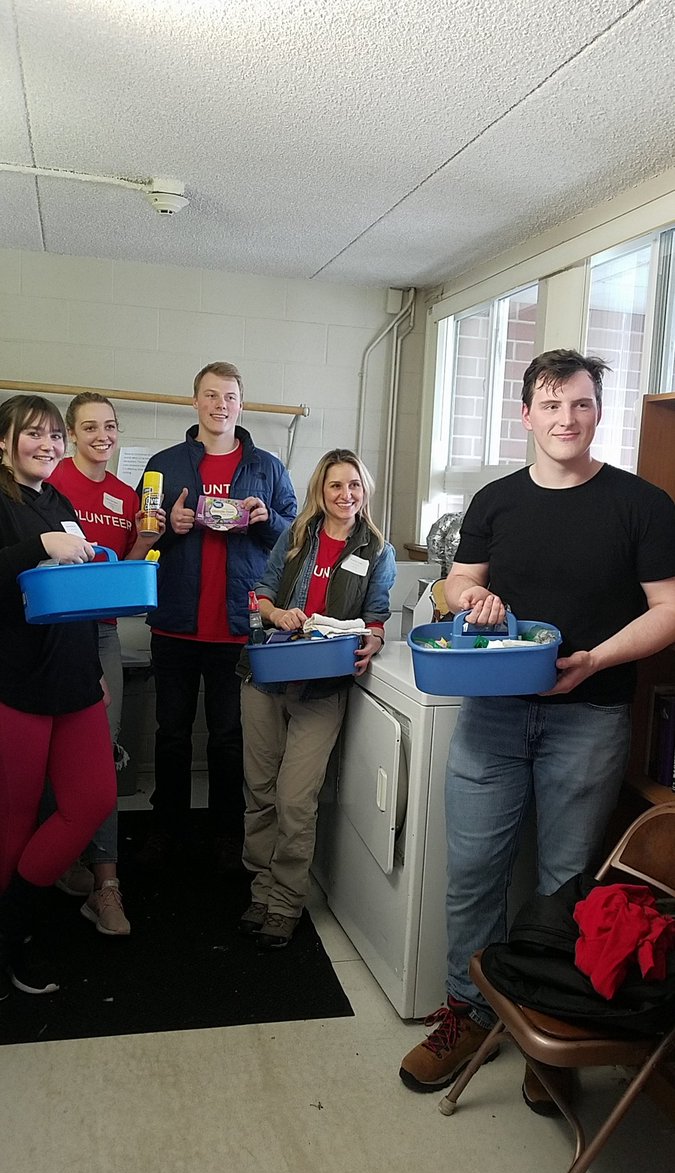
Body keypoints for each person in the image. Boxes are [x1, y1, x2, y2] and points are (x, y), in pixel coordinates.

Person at [399, 349, 675, 1110]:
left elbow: (668, 608)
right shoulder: (494, 501)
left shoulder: (641, 506)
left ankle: (546, 1034)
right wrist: (466, 602)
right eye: (551, 405)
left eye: (580, 405)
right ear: (526, 415)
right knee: (472, 876)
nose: (566, 419)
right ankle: (467, 1012)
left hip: (587, 718)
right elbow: (457, 580)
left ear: (596, 414)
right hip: (491, 714)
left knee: (563, 888)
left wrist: (594, 660)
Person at [137, 361, 297, 870]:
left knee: (231, 737)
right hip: (175, 623)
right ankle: (168, 827)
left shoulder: (267, 467)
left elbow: (296, 540)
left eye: (229, 396)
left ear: (241, 404)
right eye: (210, 395)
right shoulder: (164, 463)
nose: (219, 405)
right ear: (195, 402)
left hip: (238, 626)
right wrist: (169, 524)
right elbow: (140, 536)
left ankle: (228, 831)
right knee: (172, 732)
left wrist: (265, 519)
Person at [237, 448, 396, 949]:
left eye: (354, 485)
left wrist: (372, 640)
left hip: (322, 685)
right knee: (260, 792)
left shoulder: (377, 550)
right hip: (267, 674)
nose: (346, 495)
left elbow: (376, 616)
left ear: (364, 490)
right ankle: (261, 890)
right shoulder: (297, 535)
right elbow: (260, 591)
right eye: (335, 486)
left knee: (295, 798)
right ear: (320, 493)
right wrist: (276, 613)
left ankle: (285, 901)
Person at [0, 394, 117, 998]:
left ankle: (11, 920)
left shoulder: (59, 501)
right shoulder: (4, 501)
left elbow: (70, 595)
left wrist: (91, 664)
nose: (46, 444)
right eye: (32, 434)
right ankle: (15, 941)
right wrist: (40, 547)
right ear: (4, 443)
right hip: (16, 684)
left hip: (74, 682)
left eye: (52, 436)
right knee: (13, 823)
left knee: (91, 799)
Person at [48, 391, 165, 935]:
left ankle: (106, 886)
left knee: (101, 758)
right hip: (48, 637)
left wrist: (143, 542)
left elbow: (123, 581)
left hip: (100, 636)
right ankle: (58, 861)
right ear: (70, 434)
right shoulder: (51, 486)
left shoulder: (125, 495)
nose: (102, 435)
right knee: (48, 760)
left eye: (110, 426)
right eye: (90, 426)